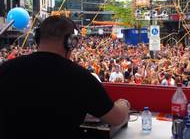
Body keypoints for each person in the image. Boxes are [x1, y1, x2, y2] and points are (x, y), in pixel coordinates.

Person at [0, 16, 130, 139]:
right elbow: (116, 118)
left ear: (37, 38)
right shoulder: (80, 77)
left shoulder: (5, 69)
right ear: (71, 42)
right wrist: (124, 103)